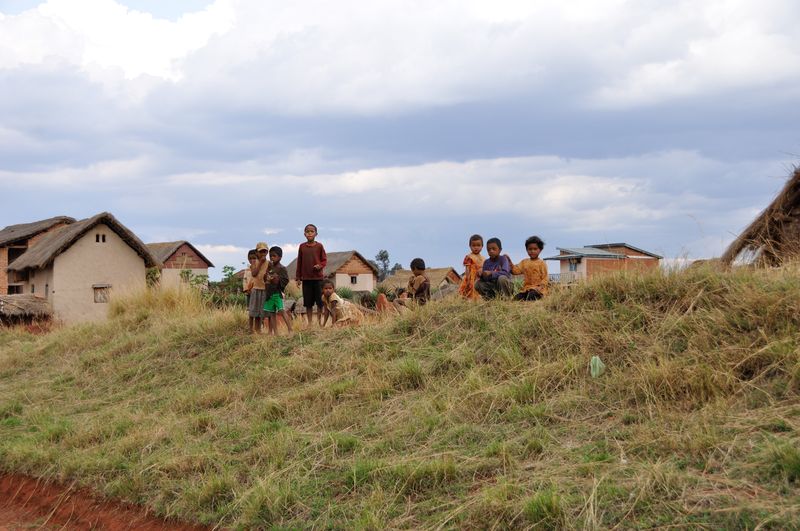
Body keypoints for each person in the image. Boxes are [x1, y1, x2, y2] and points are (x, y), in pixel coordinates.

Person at [295, 224, 327, 327]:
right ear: (304, 234)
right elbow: (299, 262)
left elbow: (324, 260)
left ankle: (319, 322)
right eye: (307, 231)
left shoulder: (319, 246)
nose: (309, 233)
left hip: (318, 279)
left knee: (319, 302)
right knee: (308, 303)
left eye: (312, 231)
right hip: (306, 279)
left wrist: (320, 266)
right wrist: (298, 277)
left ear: (316, 234)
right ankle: (309, 324)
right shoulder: (302, 247)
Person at [507, 236, 549, 301]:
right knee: (516, 299)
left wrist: (540, 287)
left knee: (531, 295)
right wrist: (509, 261)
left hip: (538, 290)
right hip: (526, 289)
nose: (532, 251)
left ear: (540, 250)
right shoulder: (524, 262)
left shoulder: (542, 263)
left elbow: (545, 278)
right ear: (526, 250)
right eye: (530, 249)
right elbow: (515, 271)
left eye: (535, 249)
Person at [263, 246, 291, 335]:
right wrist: (267, 274)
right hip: (269, 293)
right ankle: (276, 333)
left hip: (277, 293)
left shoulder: (282, 268)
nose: (272, 258)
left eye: (274, 256)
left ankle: (290, 330)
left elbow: (286, 280)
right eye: (270, 256)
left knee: (281, 311)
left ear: (280, 257)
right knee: (271, 313)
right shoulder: (269, 267)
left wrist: (277, 280)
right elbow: (265, 278)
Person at [248, 242, 270, 333]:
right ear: (257, 252)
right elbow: (254, 273)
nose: (263, 254)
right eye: (261, 252)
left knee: (260, 312)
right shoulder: (254, 262)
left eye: (265, 252)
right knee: (253, 311)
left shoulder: (269, 263)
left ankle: (258, 330)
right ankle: (250, 329)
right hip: (256, 289)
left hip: (264, 290)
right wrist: (260, 263)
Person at [459, 234, 485, 300]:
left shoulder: (483, 258)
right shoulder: (469, 257)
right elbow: (467, 269)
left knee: (479, 292)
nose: (476, 247)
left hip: (480, 278)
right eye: (473, 245)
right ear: (470, 246)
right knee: (470, 292)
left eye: (478, 245)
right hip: (471, 279)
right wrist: (468, 279)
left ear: (482, 246)